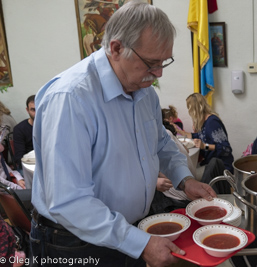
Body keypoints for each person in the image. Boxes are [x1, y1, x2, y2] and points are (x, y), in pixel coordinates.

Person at [30, 2, 216, 267]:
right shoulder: (71, 98)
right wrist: (137, 242)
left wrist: (184, 179)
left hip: (129, 231)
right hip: (73, 242)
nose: (159, 73)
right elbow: (69, 200)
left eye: (164, 62)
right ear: (116, 49)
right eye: (151, 63)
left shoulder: (144, 92)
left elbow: (161, 143)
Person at [176, 93, 234, 173]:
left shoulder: (212, 122)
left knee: (190, 175)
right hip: (210, 163)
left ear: (194, 109)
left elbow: (226, 149)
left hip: (221, 167)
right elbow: (198, 136)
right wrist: (180, 132)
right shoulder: (204, 122)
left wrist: (204, 146)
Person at [13, 95, 35, 170]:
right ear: (27, 110)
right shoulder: (19, 129)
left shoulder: (50, 126)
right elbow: (19, 158)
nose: (36, 113)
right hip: (29, 165)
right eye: (33, 110)